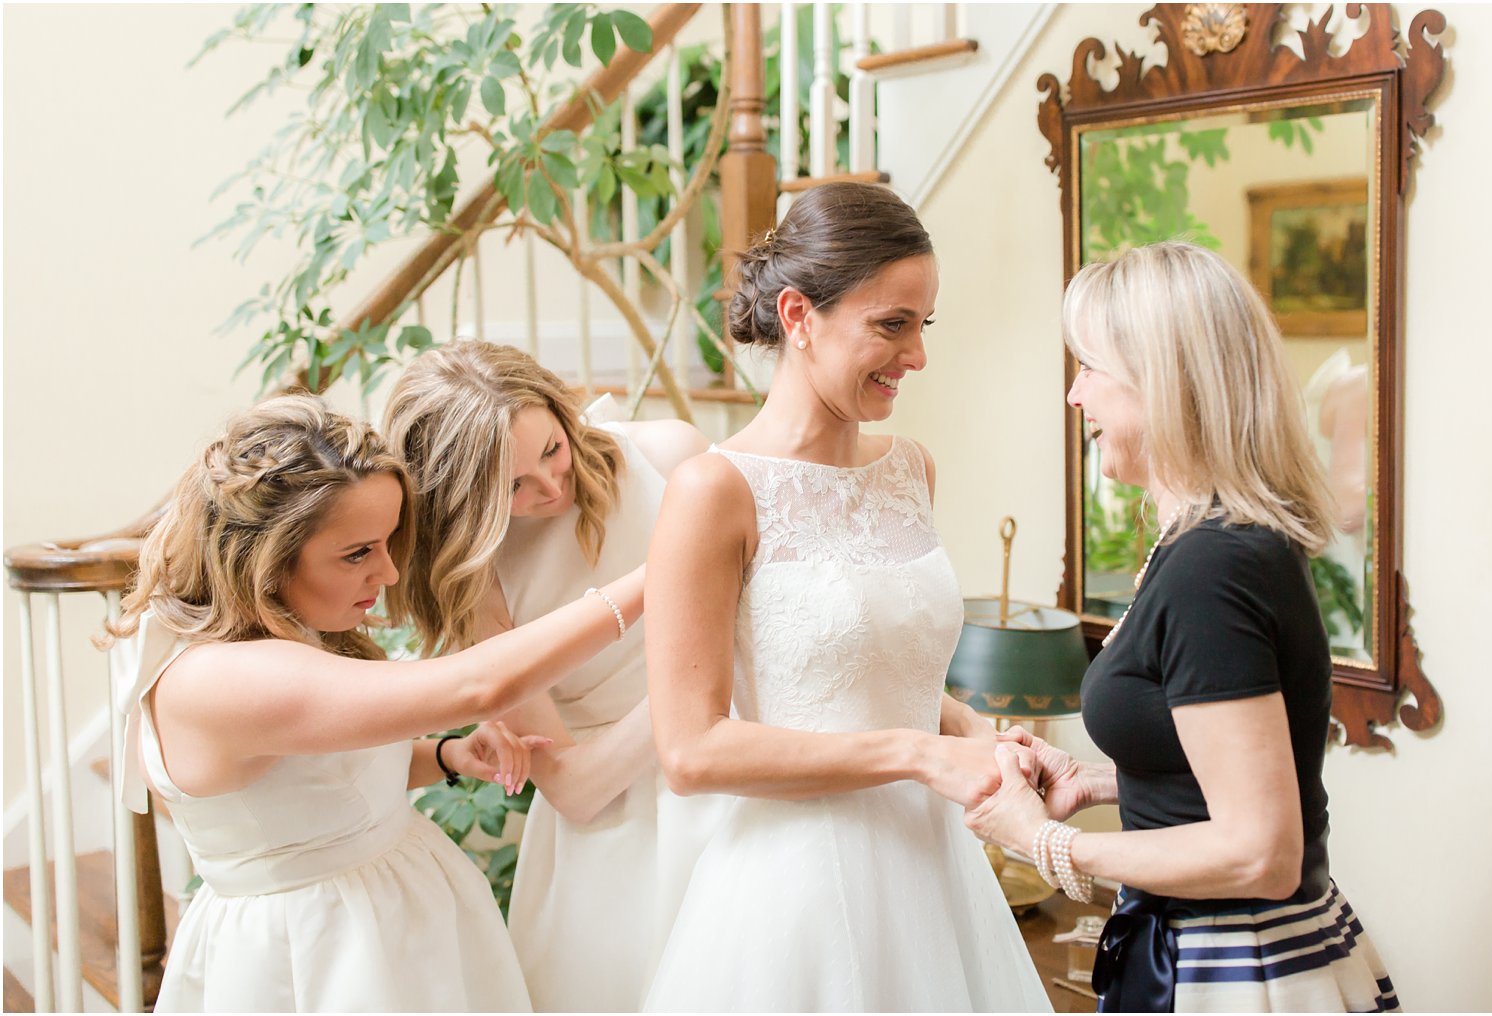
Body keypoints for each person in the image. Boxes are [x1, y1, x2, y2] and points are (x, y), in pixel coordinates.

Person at [640, 181, 1051, 1012]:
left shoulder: (913, 470)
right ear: (798, 316)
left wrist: (972, 731)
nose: (918, 355)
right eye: (891, 325)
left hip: (932, 870)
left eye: (923, 325)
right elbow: (690, 752)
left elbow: (879, 667)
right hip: (797, 888)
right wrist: (916, 754)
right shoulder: (714, 491)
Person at [965, 241, 1399, 1013]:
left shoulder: (1213, 565)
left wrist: (1042, 842)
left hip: (1231, 971)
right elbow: (1221, 776)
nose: (1075, 395)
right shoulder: (1210, 544)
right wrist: (1101, 783)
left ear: (1164, 382)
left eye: (1090, 367)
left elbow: (1261, 852)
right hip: (1227, 948)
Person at [105, 394, 642, 1012]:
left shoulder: (270, 629)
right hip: (319, 954)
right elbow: (479, 686)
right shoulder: (218, 680)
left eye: (387, 543)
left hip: (397, 917)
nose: (388, 574)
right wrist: (663, 576)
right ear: (267, 558)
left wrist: (447, 756)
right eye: (358, 553)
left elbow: (312, 785)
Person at [381, 340, 724, 1012]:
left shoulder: (670, 456)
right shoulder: (478, 583)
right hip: (618, 838)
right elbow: (573, 787)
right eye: (511, 487)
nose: (550, 487)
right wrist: (698, 691)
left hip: (739, 774)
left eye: (551, 451)